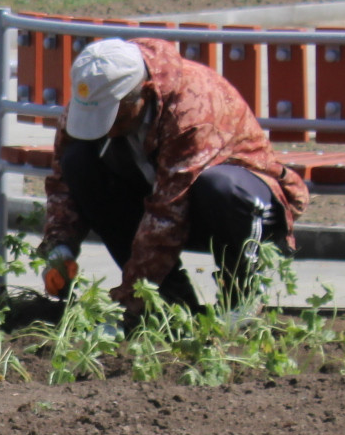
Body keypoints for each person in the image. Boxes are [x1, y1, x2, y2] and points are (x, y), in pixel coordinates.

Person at [39, 36, 306, 314]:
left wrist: (130, 298)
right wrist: (60, 247)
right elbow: (63, 179)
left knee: (218, 187)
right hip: (160, 203)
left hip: (234, 206)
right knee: (79, 160)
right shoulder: (95, 95)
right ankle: (170, 303)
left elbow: (169, 209)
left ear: (145, 92)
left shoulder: (192, 107)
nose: (109, 130)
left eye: (117, 119)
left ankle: (241, 296)